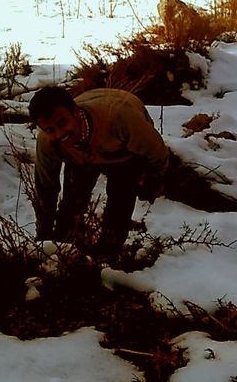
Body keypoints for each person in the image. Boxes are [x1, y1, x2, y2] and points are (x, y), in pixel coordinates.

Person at [29, 85, 169, 256]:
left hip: (124, 152)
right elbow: (45, 188)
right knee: (71, 205)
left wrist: (153, 179)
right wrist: (44, 236)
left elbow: (157, 152)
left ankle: (107, 258)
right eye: (50, 130)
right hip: (80, 155)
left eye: (62, 123)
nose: (59, 134)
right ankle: (63, 252)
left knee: (119, 206)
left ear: (75, 112)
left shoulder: (123, 118)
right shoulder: (48, 143)